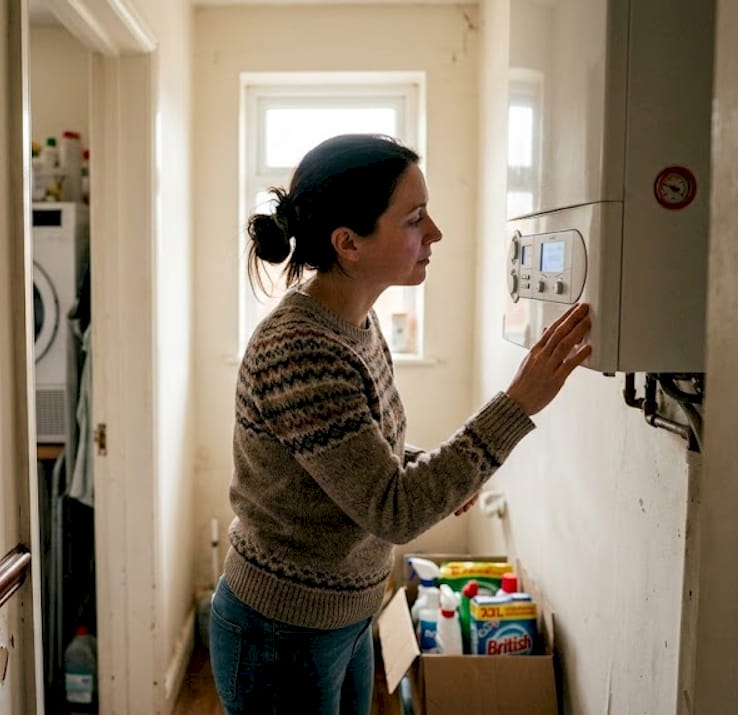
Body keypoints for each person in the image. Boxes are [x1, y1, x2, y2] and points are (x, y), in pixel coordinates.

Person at [209, 134, 591, 714]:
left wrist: (431, 468)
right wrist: (516, 405)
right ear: (349, 243)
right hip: (282, 631)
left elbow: (356, 453)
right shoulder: (301, 350)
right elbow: (394, 510)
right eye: (414, 219)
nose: (434, 232)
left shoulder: (353, 320)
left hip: (345, 612)